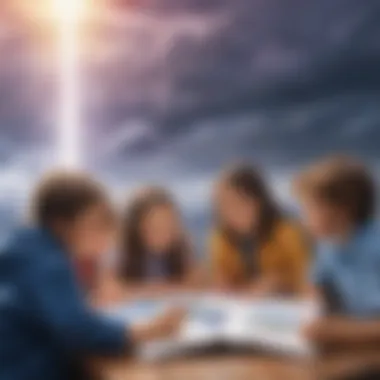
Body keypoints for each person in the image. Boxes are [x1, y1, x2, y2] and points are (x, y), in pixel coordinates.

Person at [0, 171, 184, 380]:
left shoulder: (28, 246)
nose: (103, 236)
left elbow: (58, 310)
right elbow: (77, 328)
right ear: (62, 224)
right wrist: (146, 331)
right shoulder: (48, 263)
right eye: (96, 224)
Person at [294, 156, 380, 380]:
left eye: (309, 209)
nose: (304, 219)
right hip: (351, 354)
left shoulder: (374, 247)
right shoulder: (328, 246)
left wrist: (337, 330)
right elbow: (314, 290)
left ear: (341, 210)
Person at [209, 163, 310, 296]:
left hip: (288, 305)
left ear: (259, 201)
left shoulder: (286, 232)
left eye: (239, 202)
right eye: (224, 205)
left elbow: (309, 279)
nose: (232, 211)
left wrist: (279, 282)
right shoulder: (220, 238)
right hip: (246, 308)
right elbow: (221, 281)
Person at [104, 186, 199, 300]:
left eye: (169, 226)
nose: (164, 234)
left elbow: (197, 286)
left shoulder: (182, 248)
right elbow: (108, 290)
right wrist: (162, 289)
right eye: (154, 228)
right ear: (136, 228)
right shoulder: (121, 252)